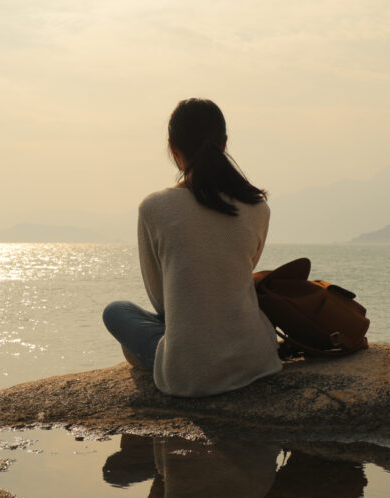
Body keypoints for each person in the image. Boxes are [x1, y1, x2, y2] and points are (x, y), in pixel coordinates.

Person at [102, 98, 281, 397]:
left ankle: (159, 355)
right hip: (256, 360)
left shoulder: (154, 207)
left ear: (173, 147)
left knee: (116, 311)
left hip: (191, 376)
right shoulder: (257, 207)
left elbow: (162, 302)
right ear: (225, 144)